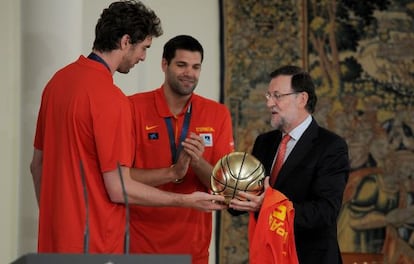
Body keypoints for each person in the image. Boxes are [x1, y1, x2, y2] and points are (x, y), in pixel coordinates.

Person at [30, 1, 226, 254]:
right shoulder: (112, 99)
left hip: (53, 241)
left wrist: (54, 220)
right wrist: (185, 200)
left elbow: (37, 166)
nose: (143, 57)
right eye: (143, 48)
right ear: (125, 42)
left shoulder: (57, 83)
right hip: (95, 245)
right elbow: (119, 188)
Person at [128, 35, 235, 264]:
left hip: (193, 251)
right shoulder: (132, 108)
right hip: (138, 247)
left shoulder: (217, 114)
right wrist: (173, 171)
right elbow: (121, 177)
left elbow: (225, 191)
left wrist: (197, 162)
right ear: (164, 64)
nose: (190, 73)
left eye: (196, 67)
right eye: (181, 65)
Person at [229, 65, 350, 263]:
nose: (269, 103)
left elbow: (325, 212)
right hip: (268, 255)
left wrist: (269, 206)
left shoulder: (331, 146)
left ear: (302, 99)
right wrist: (227, 189)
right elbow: (243, 202)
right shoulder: (264, 142)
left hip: (309, 257)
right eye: (268, 95)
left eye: (277, 95)